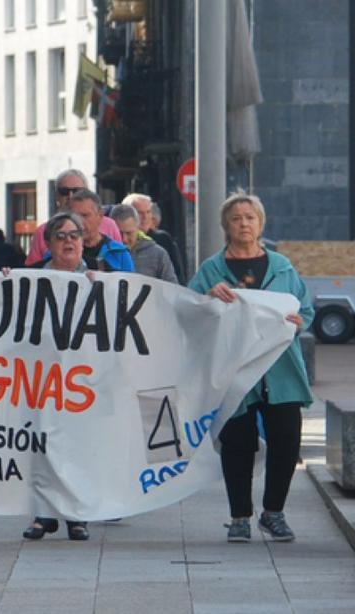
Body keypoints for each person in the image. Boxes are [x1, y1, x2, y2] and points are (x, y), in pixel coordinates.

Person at [189, 193, 313, 542]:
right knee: (238, 444)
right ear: (226, 226)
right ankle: (240, 515)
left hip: (280, 371)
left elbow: (305, 309)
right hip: (233, 374)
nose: (244, 223)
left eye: (250, 217)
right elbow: (188, 311)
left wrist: (299, 322)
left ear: (260, 224)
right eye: (236, 218)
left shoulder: (283, 267)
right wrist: (207, 297)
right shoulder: (211, 270)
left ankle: (274, 512)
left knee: (286, 442)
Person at [22, 212, 91, 541]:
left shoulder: (101, 279)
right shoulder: (30, 278)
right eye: (60, 236)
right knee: (40, 444)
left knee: (78, 445)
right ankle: (43, 514)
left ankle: (76, 516)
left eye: (74, 235)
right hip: (40, 377)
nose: (68, 241)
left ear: (83, 240)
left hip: (83, 381)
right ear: (48, 243)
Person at [24, 169, 123, 266]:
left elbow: (121, 256)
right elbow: (32, 272)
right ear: (57, 196)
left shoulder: (109, 225)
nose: (70, 196)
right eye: (64, 191)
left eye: (77, 191)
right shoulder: (42, 231)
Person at [65, 190, 134, 272]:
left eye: (85, 215)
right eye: (75, 216)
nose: (79, 221)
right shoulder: (59, 251)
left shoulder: (119, 253)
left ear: (100, 216)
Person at [125, 193, 185, 283]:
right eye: (139, 213)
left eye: (148, 212)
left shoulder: (163, 239)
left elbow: (177, 275)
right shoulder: (117, 240)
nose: (145, 217)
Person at [110, 203, 178, 283]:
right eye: (119, 233)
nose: (124, 239)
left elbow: (172, 287)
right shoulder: (103, 253)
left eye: (129, 233)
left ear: (138, 228)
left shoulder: (158, 254)